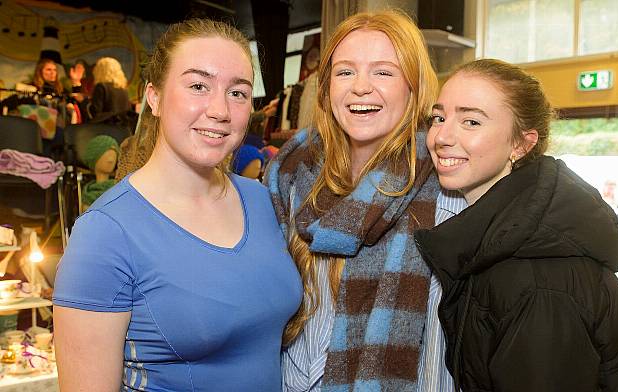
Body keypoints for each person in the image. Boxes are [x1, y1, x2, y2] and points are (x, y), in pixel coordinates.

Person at [53, 19, 302, 391]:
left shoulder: (261, 199)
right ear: (153, 97)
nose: (220, 109)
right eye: (198, 86)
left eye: (238, 92)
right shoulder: (106, 232)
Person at [414, 59, 618, 391]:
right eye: (439, 118)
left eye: (471, 121)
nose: (442, 136)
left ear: (521, 144)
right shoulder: (501, 241)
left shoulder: (536, 281)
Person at [265, 10, 447, 390]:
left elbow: (441, 349)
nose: (360, 87)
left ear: (413, 86)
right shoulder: (290, 174)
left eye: (383, 72)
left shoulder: (442, 189)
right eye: (345, 71)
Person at [88, 56, 132, 123]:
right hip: (123, 129)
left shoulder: (101, 87)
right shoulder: (123, 89)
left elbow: (95, 114)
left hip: (107, 130)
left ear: (100, 71)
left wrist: (84, 102)